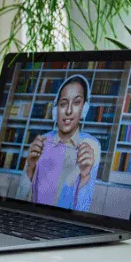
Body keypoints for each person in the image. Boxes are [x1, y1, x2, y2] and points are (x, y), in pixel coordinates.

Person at [15, 74, 100, 211]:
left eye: (77, 103)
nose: (69, 111)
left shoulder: (91, 145)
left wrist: (85, 176)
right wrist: (30, 169)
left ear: (84, 109)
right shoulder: (43, 141)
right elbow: (19, 200)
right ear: (55, 111)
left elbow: (83, 209)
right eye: (63, 104)